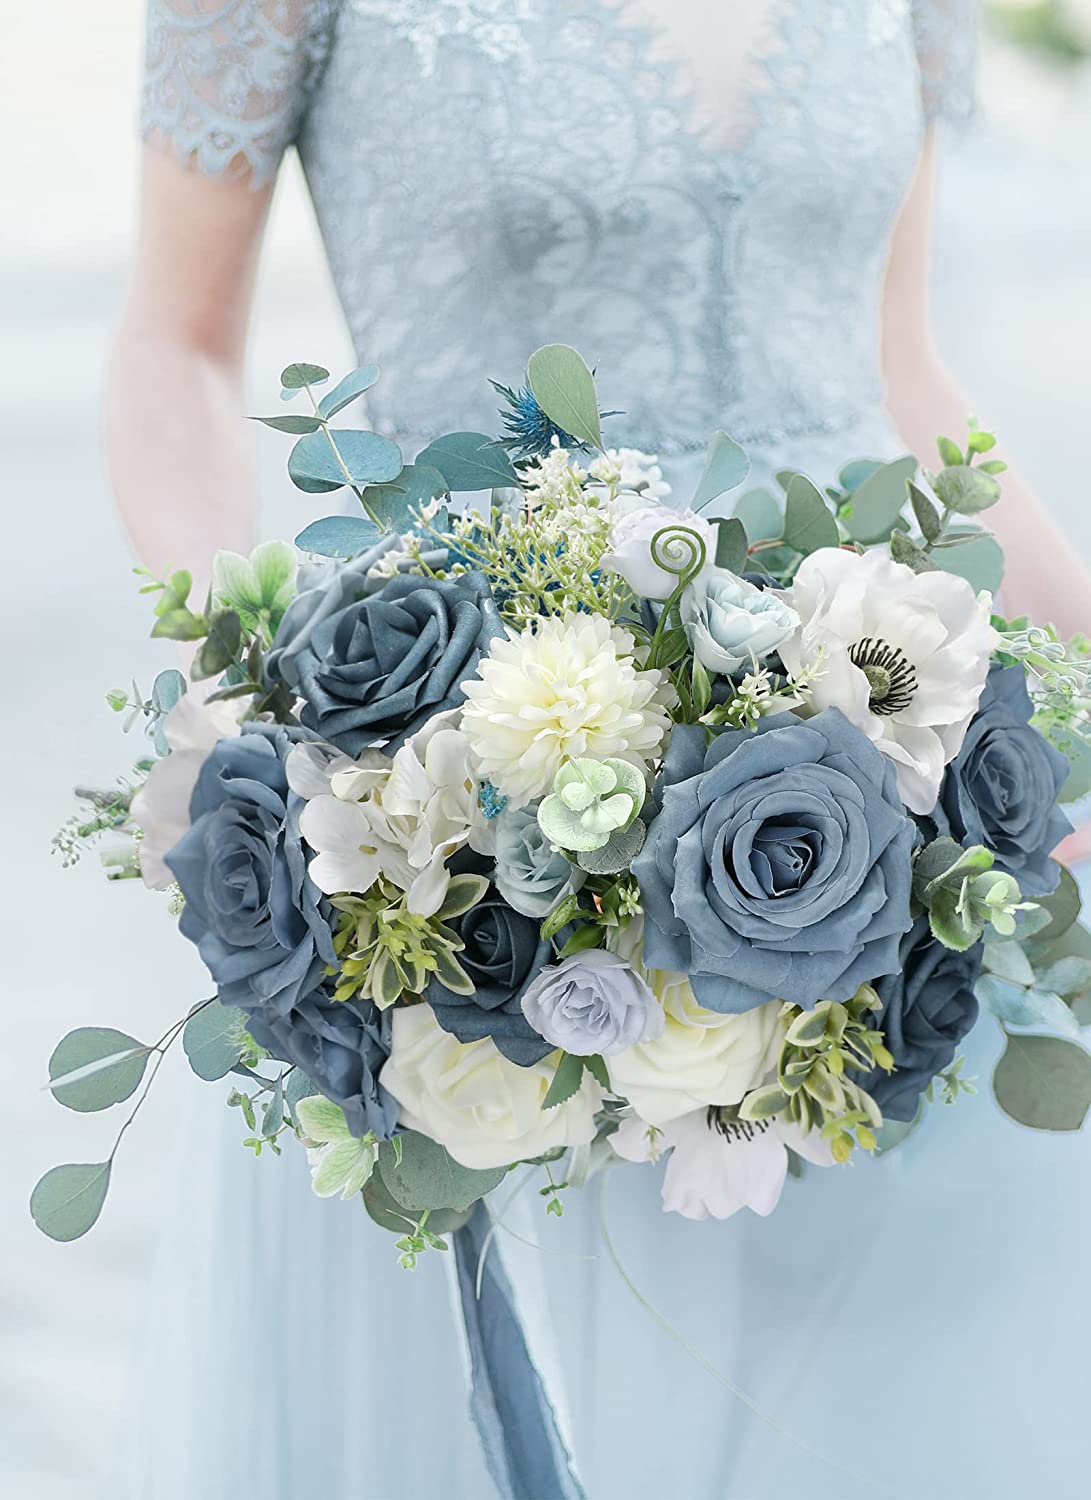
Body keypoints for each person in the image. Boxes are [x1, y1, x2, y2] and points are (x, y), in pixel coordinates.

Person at [111, 4, 1091, 1497]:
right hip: (485, 847)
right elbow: (176, 344)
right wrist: (250, 709)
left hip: (893, 809)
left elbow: (895, 369)